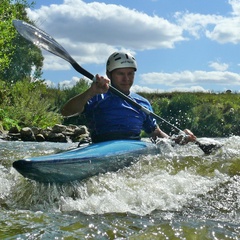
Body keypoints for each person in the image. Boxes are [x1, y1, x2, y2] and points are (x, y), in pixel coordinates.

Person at [61, 51, 196, 144]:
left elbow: (156, 135)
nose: (126, 79)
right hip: (101, 144)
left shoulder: (142, 103)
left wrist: (178, 140)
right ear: (109, 74)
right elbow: (65, 112)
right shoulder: (97, 96)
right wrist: (90, 92)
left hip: (133, 146)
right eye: (121, 74)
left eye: (130, 74)